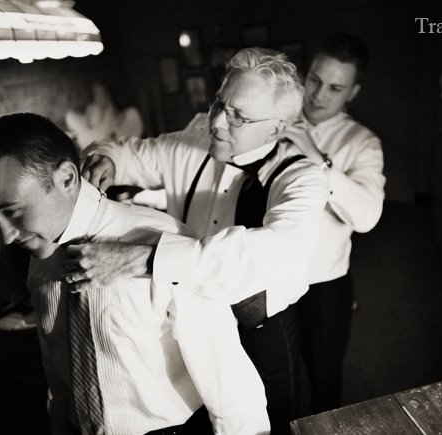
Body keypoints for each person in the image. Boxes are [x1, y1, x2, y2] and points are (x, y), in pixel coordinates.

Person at [0, 113, 270, 435]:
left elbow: (230, 388)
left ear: (67, 178)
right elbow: (58, 372)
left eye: (11, 211)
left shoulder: (165, 243)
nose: (6, 236)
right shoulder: (40, 253)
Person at [77, 48, 328, 434]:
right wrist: (108, 158)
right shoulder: (191, 141)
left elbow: (274, 251)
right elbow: (126, 151)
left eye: (239, 116)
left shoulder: (303, 177)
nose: (218, 122)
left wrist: (145, 259)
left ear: (276, 129)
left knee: (270, 424)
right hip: (186, 323)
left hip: (257, 330)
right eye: (219, 104)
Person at [281, 33, 386, 413]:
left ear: (352, 92)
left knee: (325, 382)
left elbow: (367, 216)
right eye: (314, 79)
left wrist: (319, 161)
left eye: (335, 88)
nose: (318, 94)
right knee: (273, 378)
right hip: (269, 274)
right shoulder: (275, 119)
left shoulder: (363, 143)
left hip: (324, 283)